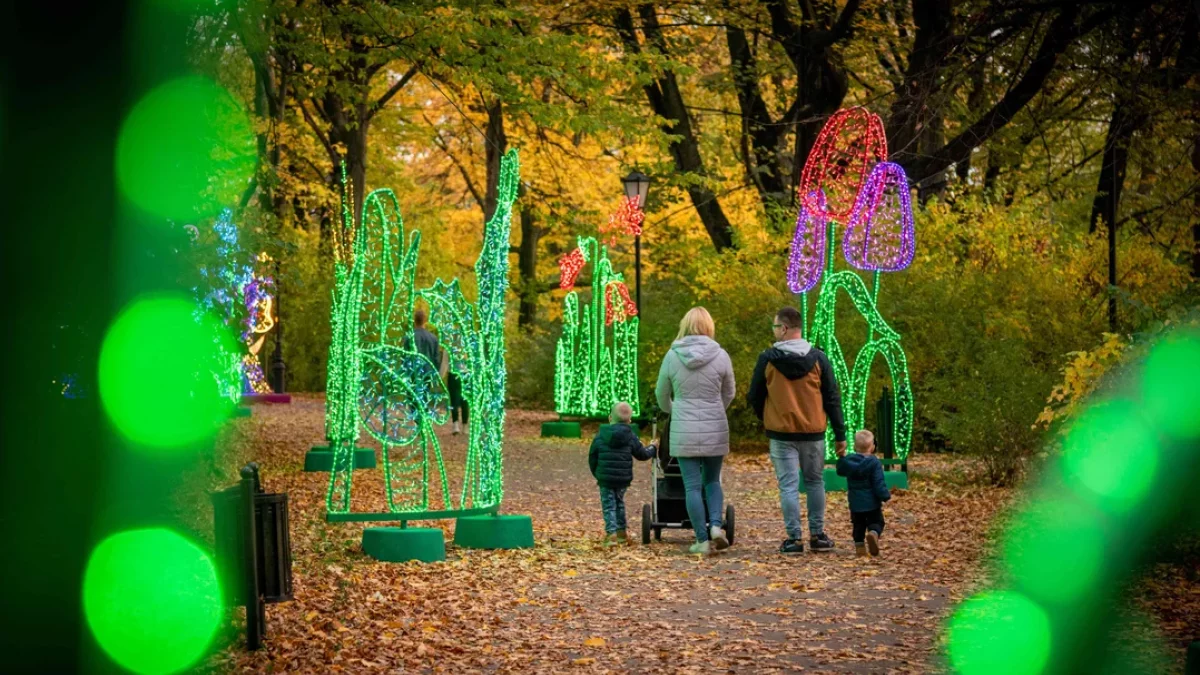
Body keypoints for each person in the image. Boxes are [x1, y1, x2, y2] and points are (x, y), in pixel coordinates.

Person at [747, 306, 846, 554]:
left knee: (788, 486)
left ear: (784, 328)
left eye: (775, 327)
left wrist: (767, 416)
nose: (774, 331)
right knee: (815, 482)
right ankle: (818, 535)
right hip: (813, 432)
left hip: (781, 433)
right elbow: (832, 397)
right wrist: (840, 433)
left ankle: (794, 539)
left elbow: (754, 395)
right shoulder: (819, 358)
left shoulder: (767, 359)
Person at [655, 307, 736, 554]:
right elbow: (729, 392)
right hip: (715, 426)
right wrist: (715, 409)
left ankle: (701, 540)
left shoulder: (672, 356)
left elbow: (661, 394)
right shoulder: (721, 355)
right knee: (712, 481)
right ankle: (715, 526)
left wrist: (674, 409)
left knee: (691, 486)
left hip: (684, 427)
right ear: (709, 326)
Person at [589, 402, 657, 544]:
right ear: (629, 421)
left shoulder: (601, 435)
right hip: (622, 479)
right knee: (619, 502)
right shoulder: (631, 436)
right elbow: (642, 454)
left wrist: (598, 473)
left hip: (605, 478)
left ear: (610, 418)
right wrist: (652, 447)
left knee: (609, 505)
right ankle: (621, 532)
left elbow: (593, 456)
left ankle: (611, 533)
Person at [836, 430, 891, 557]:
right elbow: (878, 482)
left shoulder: (849, 461)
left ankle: (859, 547)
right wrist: (884, 495)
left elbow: (840, 470)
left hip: (855, 503)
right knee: (877, 522)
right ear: (872, 447)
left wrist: (841, 458)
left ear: (855, 447)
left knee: (858, 525)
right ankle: (873, 533)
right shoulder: (874, 462)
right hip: (872, 503)